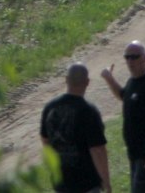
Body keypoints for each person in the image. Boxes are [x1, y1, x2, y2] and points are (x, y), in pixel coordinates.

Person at [101, 41, 145, 193]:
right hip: (136, 155)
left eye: (134, 57)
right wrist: (109, 78)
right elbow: (123, 96)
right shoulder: (132, 82)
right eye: (127, 57)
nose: (130, 61)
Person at [39, 62, 110, 193]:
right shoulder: (89, 111)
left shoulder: (50, 107)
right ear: (87, 82)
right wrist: (106, 181)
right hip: (86, 183)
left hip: (61, 182)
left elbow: (45, 141)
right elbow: (97, 150)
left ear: (66, 80)